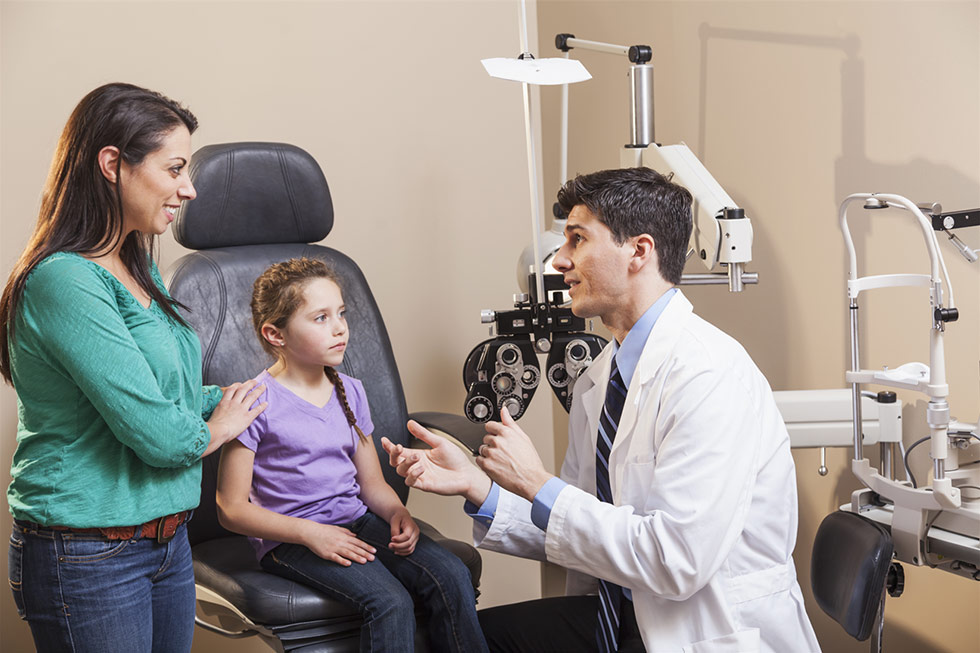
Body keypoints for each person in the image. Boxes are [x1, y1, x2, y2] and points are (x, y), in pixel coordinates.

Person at [384, 167, 820, 652]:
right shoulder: (602, 376)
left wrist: (536, 481)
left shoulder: (708, 375)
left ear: (639, 251)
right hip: (627, 612)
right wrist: (478, 486)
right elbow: (577, 524)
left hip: (703, 624)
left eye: (576, 240)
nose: (559, 261)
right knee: (457, 639)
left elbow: (676, 562)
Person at [1, 83, 267, 652]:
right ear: (112, 164)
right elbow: (162, 438)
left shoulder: (134, 269)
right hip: (88, 554)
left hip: (167, 541)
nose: (188, 189)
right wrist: (221, 424)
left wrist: (249, 396)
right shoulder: (64, 279)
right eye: (174, 169)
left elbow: (167, 394)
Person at [215, 257, 488, 653]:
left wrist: (398, 514)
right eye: (320, 318)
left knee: (451, 574)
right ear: (275, 333)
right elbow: (231, 508)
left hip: (355, 521)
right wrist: (311, 533)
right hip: (291, 540)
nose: (340, 327)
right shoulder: (253, 402)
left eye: (341, 313)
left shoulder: (351, 390)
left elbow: (372, 484)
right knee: (390, 602)